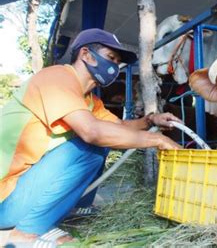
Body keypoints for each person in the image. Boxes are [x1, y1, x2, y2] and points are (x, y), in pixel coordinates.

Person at [0, 28, 182, 246]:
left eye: (117, 62)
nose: (114, 67)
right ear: (86, 54)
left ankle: (73, 210)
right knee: (91, 145)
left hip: (22, 190)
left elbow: (120, 127)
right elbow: (92, 132)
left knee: (104, 140)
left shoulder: (89, 100)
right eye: (110, 58)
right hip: (5, 196)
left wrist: (151, 120)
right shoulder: (56, 77)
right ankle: (27, 233)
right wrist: (157, 140)